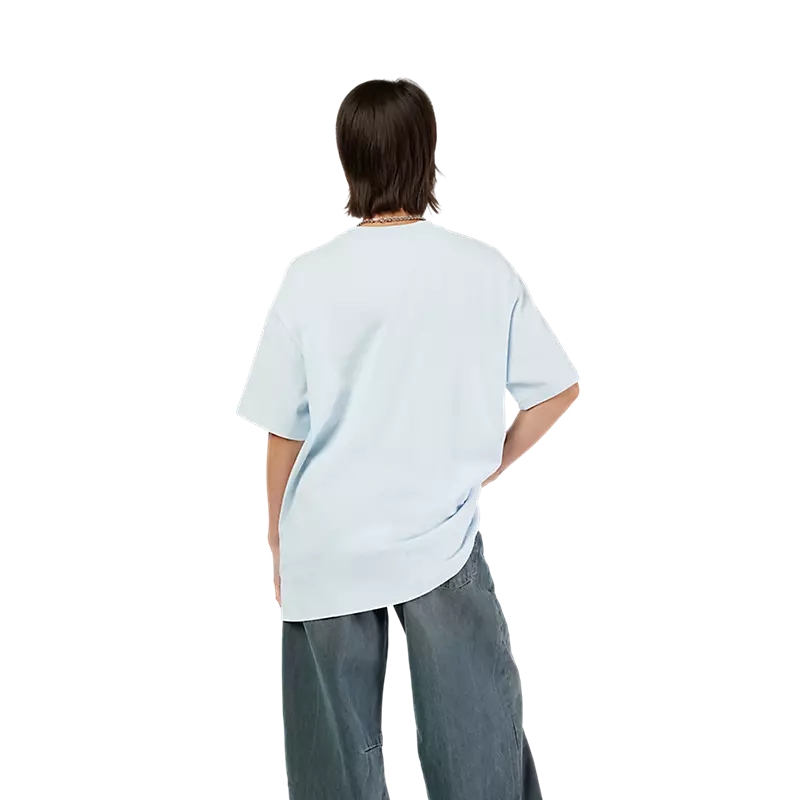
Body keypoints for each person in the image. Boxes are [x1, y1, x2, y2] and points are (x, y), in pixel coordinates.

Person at [237, 77, 580, 800]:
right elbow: (556, 389)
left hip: (328, 543)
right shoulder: (482, 268)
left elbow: (284, 431)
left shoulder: (309, 278)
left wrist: (276, 535)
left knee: (335, 765)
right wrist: (492, 461)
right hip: (439, 535)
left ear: (349, 157)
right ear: (427, 153)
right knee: (477, 737)